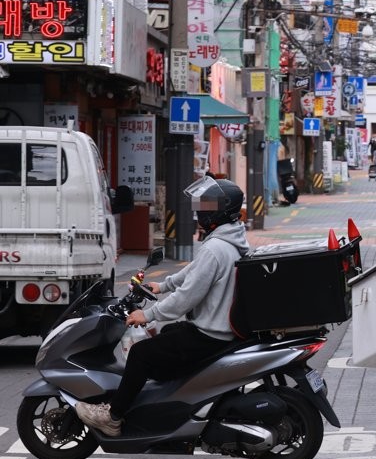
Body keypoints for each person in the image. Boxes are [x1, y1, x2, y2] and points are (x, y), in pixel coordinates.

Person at [75, 177, 251, 437]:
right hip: (219, 330)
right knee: (168, 335)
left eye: (205, 208)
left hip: (209, 335)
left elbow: (187, 297)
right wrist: (164, 285)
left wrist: (146, 315)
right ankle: (167, 407)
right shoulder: (230, 240)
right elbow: (195, 272)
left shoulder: (215, 248)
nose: (200, 212)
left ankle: (113, 417)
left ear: (219, 210)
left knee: (140, 354)